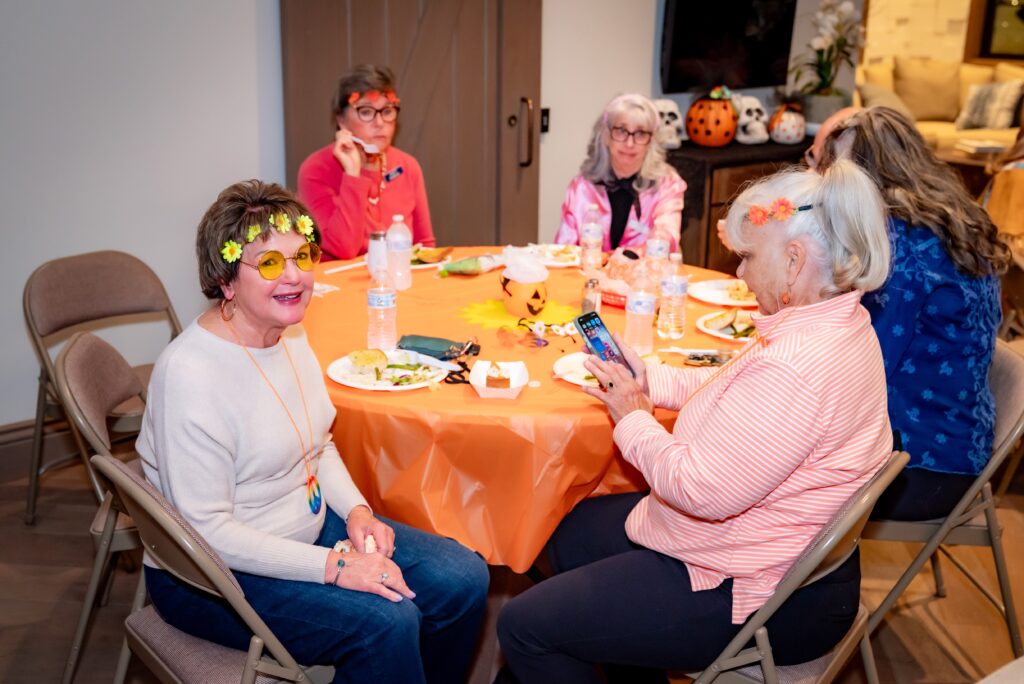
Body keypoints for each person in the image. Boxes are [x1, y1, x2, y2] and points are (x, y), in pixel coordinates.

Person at [497, 161, 893, 683]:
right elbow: (735, 389)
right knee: (559, 531)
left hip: (761, 592)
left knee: (522, 625)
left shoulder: (794, 366)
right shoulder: (836, 321)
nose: (740, 273)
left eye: (749, 257)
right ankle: (622, 659)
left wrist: (635, 418)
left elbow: (700, 492)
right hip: (781, 559)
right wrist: (650, 379)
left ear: (794, 262)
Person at [137, 180, 487, 683]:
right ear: (226, 279)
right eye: (272, 264)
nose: (297, 277)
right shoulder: (190, 374)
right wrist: (339, 568)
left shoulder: (289, 333)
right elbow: (207, 533)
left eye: (303, 256)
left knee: (464, 578)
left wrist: (358, 512)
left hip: (308, 527)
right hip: (213, 577)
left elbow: (317, 443)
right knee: (386, 624)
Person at [816, 106, 1012, 520]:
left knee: (768, 471)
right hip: (960, 443)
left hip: (920, 468)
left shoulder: (903, 248)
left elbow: (863, 366)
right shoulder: (953, 221)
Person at [297, 64, 435, 261]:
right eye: (366, 111)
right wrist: (353, 175)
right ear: (341, 120)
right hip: (339, 287)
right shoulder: (315, 169)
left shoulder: (408, 166)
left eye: (387, 111)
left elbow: (425, 248)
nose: (379, 123)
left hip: (398, 284)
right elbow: (343, 249)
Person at [554, 93, 685, 251]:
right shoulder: (582, 187)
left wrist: (628, 257)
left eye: (641, 133)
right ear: (606, 135)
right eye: (621, 131)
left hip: (648, 273)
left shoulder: (668, 184)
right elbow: (563, 250)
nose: (630, 143)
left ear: (651, 141)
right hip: (588, 274)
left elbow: (666, 240)